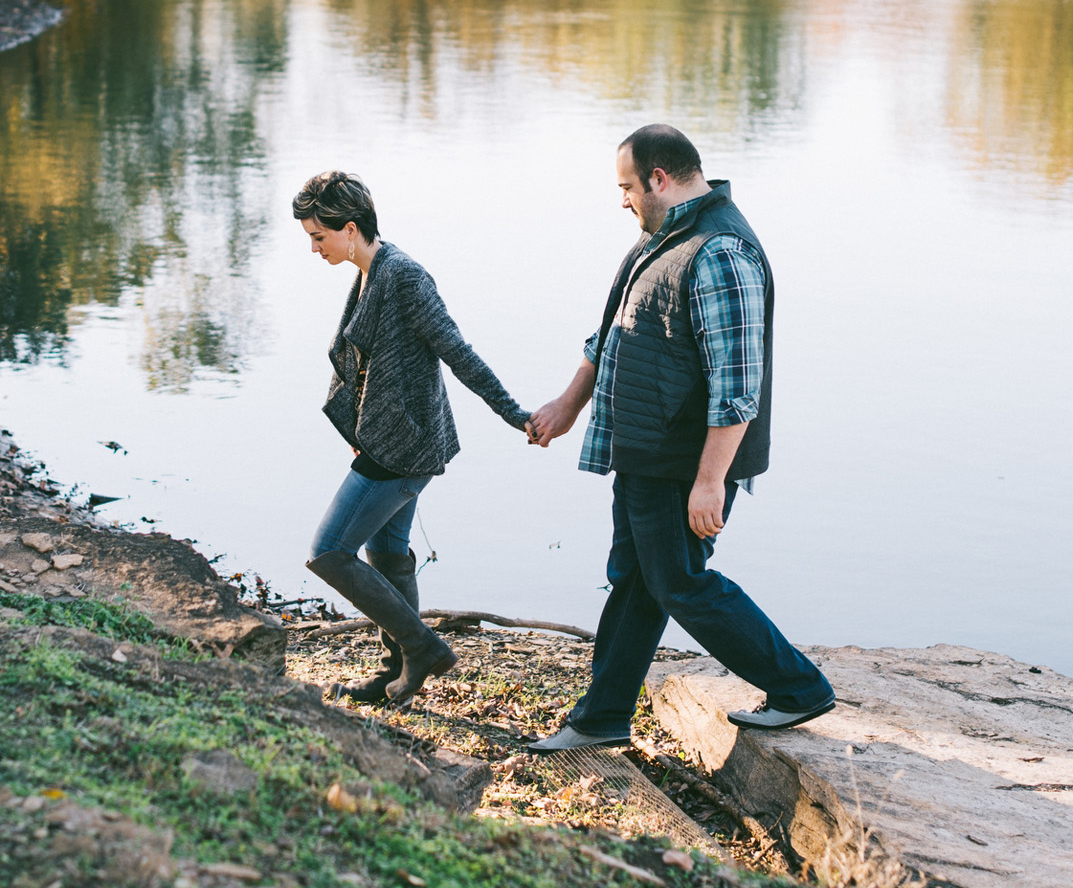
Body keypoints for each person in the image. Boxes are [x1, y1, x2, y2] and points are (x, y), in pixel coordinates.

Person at [522, 125, 834, 750]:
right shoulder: (662, 237)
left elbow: (738, 384)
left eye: (627, 187)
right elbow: (613, 332)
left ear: (659, 179)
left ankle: (800, 688)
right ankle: (602, 717)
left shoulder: (719, 252)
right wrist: (568, 403)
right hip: (646, 450)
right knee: (638, 582)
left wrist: (710, 481)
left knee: (680, 584)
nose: (623, 200)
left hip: (682, 462)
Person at [294, 171, 532, 706]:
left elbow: (457, 351)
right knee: (385, 551)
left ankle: (421, 647)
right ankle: (394, 671)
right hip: (386, 439)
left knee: (327, 552)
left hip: (404, 445)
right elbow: (368, 368)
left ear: (349, 228)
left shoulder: (404, 276)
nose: (313, 248)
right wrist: (360, 425)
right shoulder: (368, 272)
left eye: (318, 236)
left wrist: (514, 414)